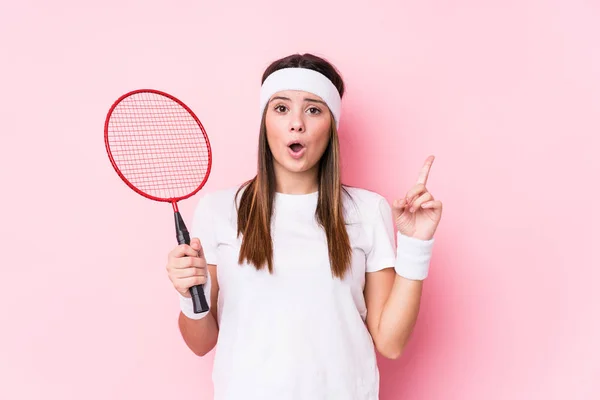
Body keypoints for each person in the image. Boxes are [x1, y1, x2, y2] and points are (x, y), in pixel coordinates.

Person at [165, 53, 443, 400]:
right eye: (281, 108)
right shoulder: (220, 210)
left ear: (332, 124)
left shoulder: (368, 211)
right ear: (265, 121)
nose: (296, 123)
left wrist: (416, 245)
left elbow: (391, 342)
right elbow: (201, 342)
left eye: (313, 109)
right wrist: (188, 295)